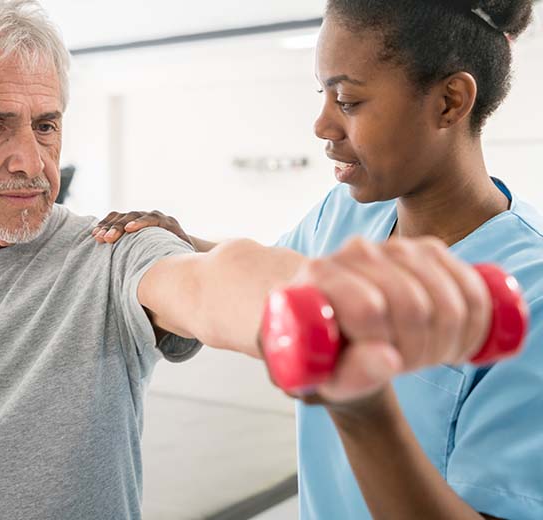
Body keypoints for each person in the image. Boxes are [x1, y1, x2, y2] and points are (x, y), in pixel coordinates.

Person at [94, 1, 543, 519]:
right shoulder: (343, 218)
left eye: (348, 100)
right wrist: (178, 241)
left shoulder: (529, 296)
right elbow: (272, 273)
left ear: (449, 101)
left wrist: (363, 409)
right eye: (323, 94)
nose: (322, 124)